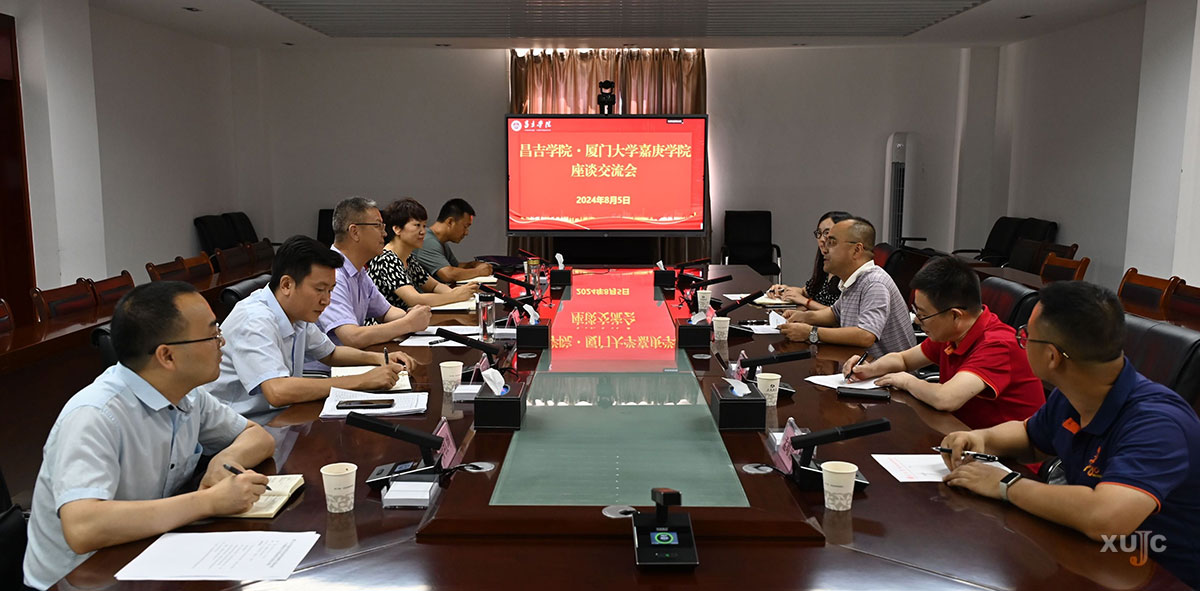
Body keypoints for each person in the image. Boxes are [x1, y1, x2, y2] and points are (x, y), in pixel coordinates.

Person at [940, 282, 1200, 588]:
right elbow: (1029, 436)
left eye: (1026, 336)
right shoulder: (1076, 392)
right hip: (1097, 562)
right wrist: (982, 439)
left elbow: (1106, 518)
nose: (1021, 341)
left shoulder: (1158, 424)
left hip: (1162, 577)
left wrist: (1005, 485)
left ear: (1052, 357)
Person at [22, 282, 275, 590]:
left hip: (147, 554)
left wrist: (225, 461)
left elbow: (257, 436)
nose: (222, 343)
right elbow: (83, 527)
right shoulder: (95, 415)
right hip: (80, 579)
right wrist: (209, 502)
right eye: (212, 335)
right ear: (167, 356)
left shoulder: (187, 394)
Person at [210, 235, 417, 417]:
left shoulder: (295, 311)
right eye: (320, 289)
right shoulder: (254, 320)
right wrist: (362, 380)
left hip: (280, 416)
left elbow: (330, 353)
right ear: (287, 285)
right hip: (243, 426)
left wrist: (379, 358)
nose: (327, 300)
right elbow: (278, 391)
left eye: (331, 290)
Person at [842, 256, 1044, 428]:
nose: (918, 321)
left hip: (1007, 456)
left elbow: (946, 398)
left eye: (923, 315)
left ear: (955, 315)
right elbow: (903, 359)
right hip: (963, 434)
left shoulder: (998, 345)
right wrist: (869, 369)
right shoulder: (952, 332)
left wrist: (906, 381)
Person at [308, 197, 431, 374]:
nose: (384, 233)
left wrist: (413, 316)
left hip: (352, 365)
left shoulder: (359, 272)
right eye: (378, 226)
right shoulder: (332, 274)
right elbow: (352, 337)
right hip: (325, 374)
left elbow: (386, 312)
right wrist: (408, 323)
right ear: (355, 232)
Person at [780, 216, 915, 359]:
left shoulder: (874, 283)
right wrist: (805, 317)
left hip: (888, 371)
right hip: (860, 364)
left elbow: (866, 335)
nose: (824, 250)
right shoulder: (853, 279)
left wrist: (811, 333)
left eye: (832, 243)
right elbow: (835, 313)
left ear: (856, 250)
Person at [368, 198, 479, 310]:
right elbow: (414, 299)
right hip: (387, 321)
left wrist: (457, 292)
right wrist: (454, 296)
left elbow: (434, 286)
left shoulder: (408, 258)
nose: (423, 232)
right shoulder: (386, 259)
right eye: (417, 225)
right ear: (397, 229)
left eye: (424, 225)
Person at [767, 210, 852, 310]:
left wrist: (806, 302)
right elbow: (806, 291)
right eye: (819, 233)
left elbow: (839, 314)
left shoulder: (850, 273)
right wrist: (784, 290)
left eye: (827, 233)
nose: (822, 239)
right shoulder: (825, 265)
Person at [414, 198, 492, 283]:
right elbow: (448, 274)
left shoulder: (440, 242)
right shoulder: (427, 241)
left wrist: (472, 265)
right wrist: (479, 271)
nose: (466, 232)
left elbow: (454, 267)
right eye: (465, 226)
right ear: (450, 222)